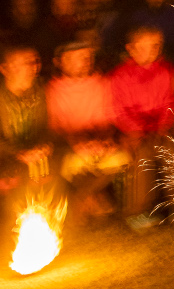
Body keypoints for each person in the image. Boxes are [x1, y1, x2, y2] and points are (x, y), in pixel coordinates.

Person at [0, 45, 59, 237]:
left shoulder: (40, 90)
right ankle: (10, 226)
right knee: (12, 178)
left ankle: (48, 223)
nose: (32, 67)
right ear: (4, 69)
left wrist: (43, 146)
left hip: (34, 155)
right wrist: (18, 153)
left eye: (34, 61)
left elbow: (45, 128)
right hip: (5, 157)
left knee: (52, 169)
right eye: (23, 63)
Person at [47, 42, 129, 223]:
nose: (85, 62)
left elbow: (108, 118)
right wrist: (78, 143)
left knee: (119, 158)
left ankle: (82, 199)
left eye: (88, 57)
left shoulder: (101, 83)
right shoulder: (54, 89)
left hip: (98, 140)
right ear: (62, 62)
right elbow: (57, 126)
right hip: (71, 144)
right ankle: (94, 201)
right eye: (78, 58)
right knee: (70, 163)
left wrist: (104, 140)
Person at [110, 26, 174, 228]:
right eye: (143, 47)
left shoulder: (166, 71)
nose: (149, 51)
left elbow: (170, 101)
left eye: (155, 46)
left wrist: (163, 126)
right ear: (130, 49)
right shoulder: (121, 75)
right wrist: (135, 130)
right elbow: (118, 109)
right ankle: (138, 210)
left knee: (172, 151)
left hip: (159, 129)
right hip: (133, 132)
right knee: (142, 155)